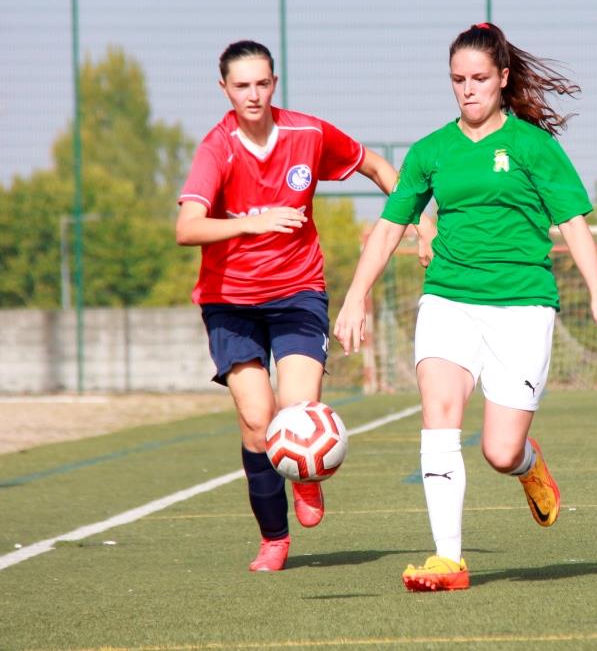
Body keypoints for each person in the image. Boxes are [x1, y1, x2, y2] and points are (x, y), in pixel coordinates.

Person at [334, 23, 597, 591]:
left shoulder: (533, 147)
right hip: (448, 298)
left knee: (499, 449)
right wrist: (355, 295)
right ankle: (448, 559)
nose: (468, 90)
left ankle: (529, 466)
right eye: (458, 80)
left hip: (521, 306)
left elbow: (574, 224)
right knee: (439, 412)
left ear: (503, 78)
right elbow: (391, 226)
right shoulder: (431, 151)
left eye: (480, 79)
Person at [176, 40, 433, 572]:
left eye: (262, 83)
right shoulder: (216, 149)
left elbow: (379, 167)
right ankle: (274, 539)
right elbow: (187, 227)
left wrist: (419, 222)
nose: (253, 94)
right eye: (241, 85)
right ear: (224, 89)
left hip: (297, 292)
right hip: (231, 301)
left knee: (296, 412)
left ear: (275, 83)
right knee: (255, 421)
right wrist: (253, 220)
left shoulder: (308, 134)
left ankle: (307, 472)